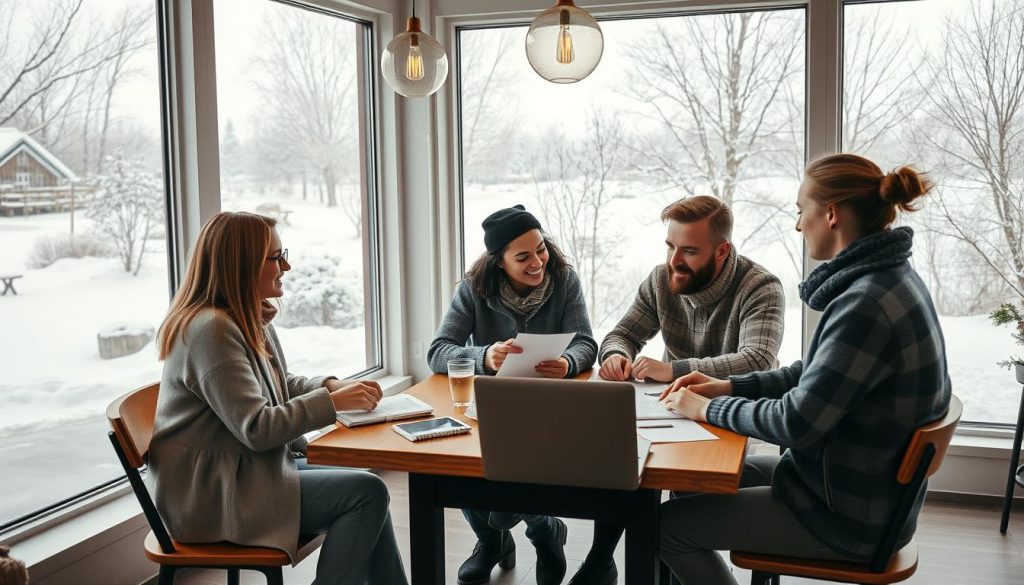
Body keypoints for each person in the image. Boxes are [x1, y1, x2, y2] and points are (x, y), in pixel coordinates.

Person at [657, 154, 952, 585]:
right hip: (846, 488)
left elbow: (795, 422)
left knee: (665, 529)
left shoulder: (866, 304)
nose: (798, 226)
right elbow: (811, 375)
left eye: (801, 211)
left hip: (844, 517)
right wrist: (727, 385)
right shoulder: (887, 279)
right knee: (694, 482)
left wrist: (704, 410)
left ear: (830, 214)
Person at [149, 212, 407, 585]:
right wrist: (332, 404)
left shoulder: (240, 317)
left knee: (368, 491)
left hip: (245, 472)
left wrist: (327, 386)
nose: (286, 265)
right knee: (366, 493)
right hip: (213, 496)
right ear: (241, 264)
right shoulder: (211, 331)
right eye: (275, 257)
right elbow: (257, 428)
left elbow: (275, 383)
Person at [571, 195, 785, 585]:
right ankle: (603, 558)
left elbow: (758, 360)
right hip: (668, 410)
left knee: (674, 501)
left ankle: (645, 565)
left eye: (688, 250)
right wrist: (616, 355)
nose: (673, 260)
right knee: (620, 460)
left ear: (722, 251)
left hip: (728, 417)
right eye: (670, 246)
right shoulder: (660, 279)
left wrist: (673, 369)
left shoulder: (761, 287)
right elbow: (621, 334)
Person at [428, 204, 598, 585]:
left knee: (522, 471)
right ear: (499, 262)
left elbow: (587, 343)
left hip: (550, 407)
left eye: (541, 249)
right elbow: (438, 352)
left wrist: (569, 363)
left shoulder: (564, 280)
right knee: (456, 465)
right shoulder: (474, 288)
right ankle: (495, 539)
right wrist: (483, 356)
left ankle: (539, 533)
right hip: (488, 408)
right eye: (523, 256)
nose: (538, 261)